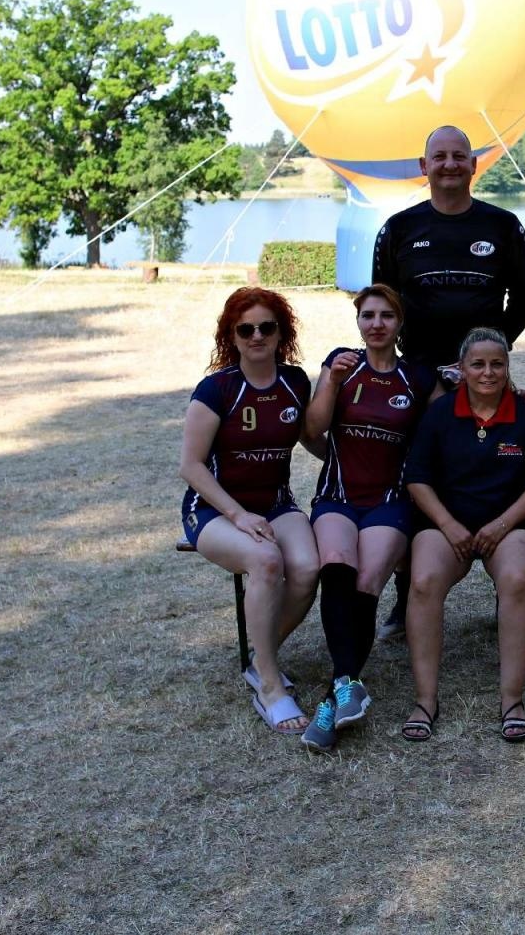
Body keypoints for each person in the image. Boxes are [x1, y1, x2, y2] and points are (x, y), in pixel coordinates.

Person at [371, 125, 525, 640]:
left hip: (485, 376)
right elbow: (384, 299)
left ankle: (505, 588)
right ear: (424, 167)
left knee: (497, 471)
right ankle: (405, 598)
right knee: (414, 476)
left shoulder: (504, 225)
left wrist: (482, 353)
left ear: (474, 165)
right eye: (438, 157)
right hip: (419, 374)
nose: (449, 164)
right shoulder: (398, 228)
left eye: (459, 156)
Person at [297, 284, 436, 751]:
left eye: (386, 316)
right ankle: (345, 684)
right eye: (368, 315)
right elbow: (313, 430)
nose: (376, 324)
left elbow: (456, 418)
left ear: (399, 324)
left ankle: (333, 694)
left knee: (368, 581)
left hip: (389, 500)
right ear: (358, 321)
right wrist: (332, 383)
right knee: (336, 562)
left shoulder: (416, 377)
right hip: (337, 495)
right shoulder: (340, 363)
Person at [179, 287, 322, 736]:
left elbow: (310, 440)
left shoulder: (295, 381)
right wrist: (238, 516)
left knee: (307, 567)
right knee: (266, 560)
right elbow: (191, 466)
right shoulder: (217, 389)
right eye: (246, 329)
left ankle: (262, 658)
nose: (257, 336)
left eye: (267, 327)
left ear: (282, 333)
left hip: (276, 504)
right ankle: (271, 688)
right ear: (232, 337)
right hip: (215, 510)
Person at [401, 328, 525, 743]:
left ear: (508, 367)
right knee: (423, 582)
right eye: (478, 364)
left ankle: (512, 699)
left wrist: (502, 524)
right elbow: (415, 477)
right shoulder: (440, 412)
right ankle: (425, 699)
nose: (488, 372)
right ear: (461, 368)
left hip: (509, 525)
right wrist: (448, 525)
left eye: (497, 363)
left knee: (518, 580)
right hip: (445, 523)